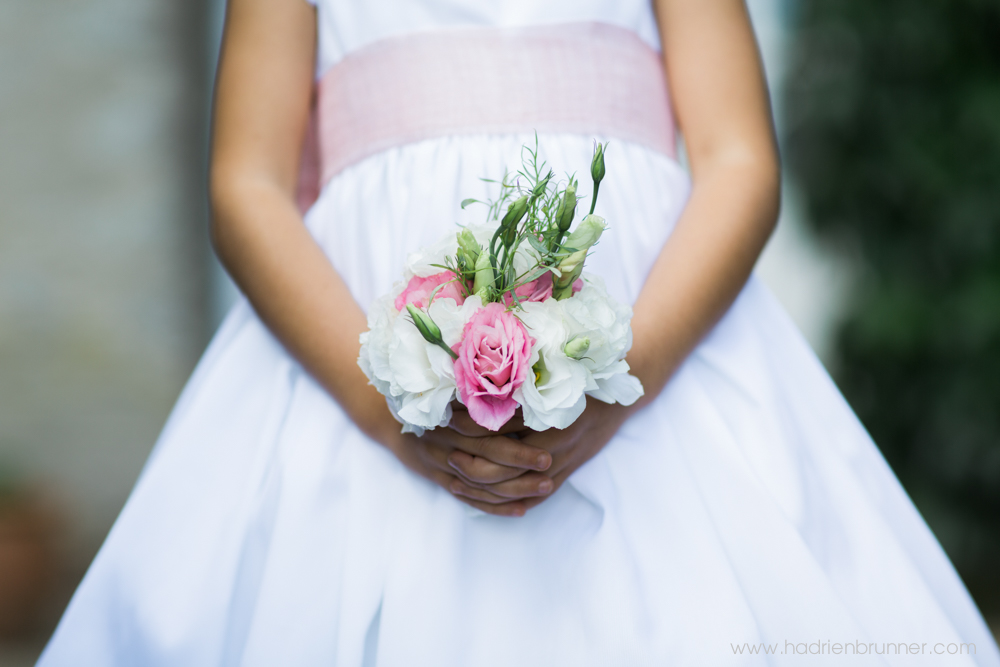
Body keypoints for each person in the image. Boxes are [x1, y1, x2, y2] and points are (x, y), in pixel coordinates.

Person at [37, 0, 1000, 664]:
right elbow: (245, 184)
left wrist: (624, 378)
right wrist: (389, 411)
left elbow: (738, 156)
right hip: (349, 372)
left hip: (656, 355)